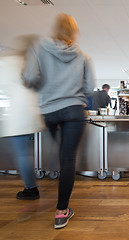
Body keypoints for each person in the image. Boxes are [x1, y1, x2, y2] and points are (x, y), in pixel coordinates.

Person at [22, 13, 95, 229]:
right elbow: (90, 89)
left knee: (63, 153)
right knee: (68, 158)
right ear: (74, 32)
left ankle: (57, 192)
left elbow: (29, 78)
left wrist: (45, 90)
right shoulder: (83, 56)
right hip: (73, 111)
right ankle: (61, 211)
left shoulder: (38, 47)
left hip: (49, 112)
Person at [0, 35, 45, 200]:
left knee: (22, 154)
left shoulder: (9, 63)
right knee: (26, 153)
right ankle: (31, 185)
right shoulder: (30, 65)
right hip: (31, 115)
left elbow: (5, 87)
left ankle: (31, 188)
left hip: (19, 116)